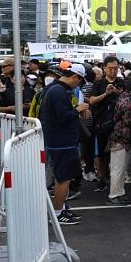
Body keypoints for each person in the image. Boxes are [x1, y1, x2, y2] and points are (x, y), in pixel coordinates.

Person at [39, 63, 91, 225]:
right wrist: (78, 109)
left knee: (62, 177)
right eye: (80, 81)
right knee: (64, 179)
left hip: (56, 139)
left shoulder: (52, 88)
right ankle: (58, 213)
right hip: (62, 141)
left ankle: (60, 208)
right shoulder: (59, 91)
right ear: (75, 77)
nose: (79, 85)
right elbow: (63, 117)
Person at [88, 56, 123, 192]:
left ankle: (115, 181)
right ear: (104, 68)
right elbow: (92, 100)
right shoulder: (98, 84)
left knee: (117, 152)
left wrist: (119, 94)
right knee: (101, 153)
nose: (113, 71)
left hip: (118, 124)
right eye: (110, 69)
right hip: (101, 123)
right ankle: (101, 177)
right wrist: (106, 94)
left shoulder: (121, 83)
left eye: (115, 68)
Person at [106, 76, 131, 205]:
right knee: (118, 168)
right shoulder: (128, 100)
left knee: (120, 168)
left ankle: (119, 193)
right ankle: (114, 195)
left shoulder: (125, 96)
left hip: (120, 136)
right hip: (121, 137)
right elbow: (130, 120)